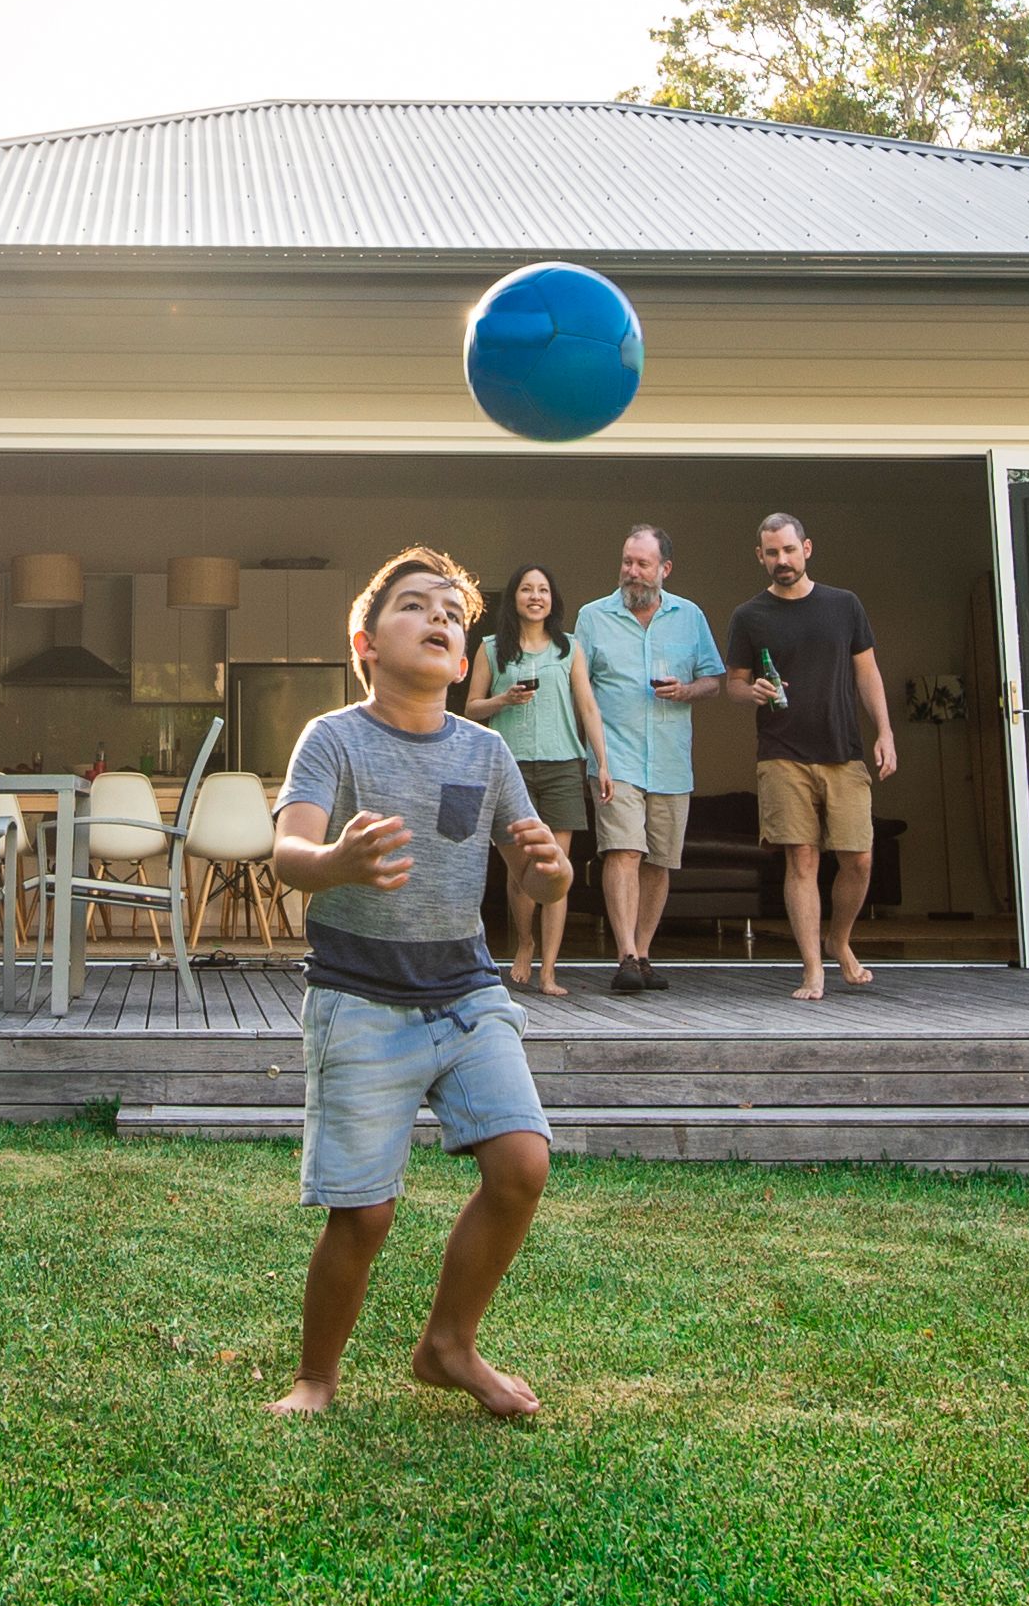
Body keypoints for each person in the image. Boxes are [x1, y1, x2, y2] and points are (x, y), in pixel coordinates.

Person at [266, 547, 577, 1423]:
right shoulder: (334, 738)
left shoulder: (486, 751)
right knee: (362, 1216)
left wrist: (551, 875)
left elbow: (533, 876)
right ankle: (317, 1377)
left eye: (452, 611)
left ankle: (448, 1345)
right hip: (359, 998)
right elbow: (289, 855)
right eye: (415, 605)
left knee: (521, 1164)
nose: (440, 618)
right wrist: (337, 860)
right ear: (365, 642)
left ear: (466, 651)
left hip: (467, 991)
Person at [724, 509, 896, 1001]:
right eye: (772, 552)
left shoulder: (845, 606)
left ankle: (838, 940)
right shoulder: (749, 615)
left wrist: (884, 732)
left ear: (807, 548)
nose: (782, 559)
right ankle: (812, 969)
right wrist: (750, 691)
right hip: (781, 752)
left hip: (843, 750)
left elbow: (868, 673)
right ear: (760, 557)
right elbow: (732, 685)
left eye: (789, 549)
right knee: (800, 858)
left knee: (858, 858)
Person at [569, 524, 725, 994]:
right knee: (622, 851)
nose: (631, 572)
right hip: (614, 759)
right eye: (626, 562)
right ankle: (625, 956)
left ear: (665, 569)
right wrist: (594, 753)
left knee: (659, 860)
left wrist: (687, 690)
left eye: (641, 564)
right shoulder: (592, 618)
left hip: (671, 761)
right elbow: (579, 690)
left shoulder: (690, 616)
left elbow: (713, 680)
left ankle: (644, 952)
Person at [459, 561, 604, 997]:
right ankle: (525, 943)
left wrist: (604, 764)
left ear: (552, 599)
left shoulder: (570, 649)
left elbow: (588, 709)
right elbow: (471, 708)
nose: (535, 596)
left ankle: (549, 970)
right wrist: (503, 699)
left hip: (563, 765)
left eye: (543, 589)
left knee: (556, 868)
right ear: (515, 599)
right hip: (512, 768)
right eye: (526, 589)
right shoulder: (490, 648)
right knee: (523, 869)